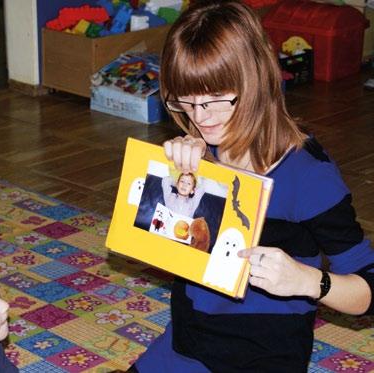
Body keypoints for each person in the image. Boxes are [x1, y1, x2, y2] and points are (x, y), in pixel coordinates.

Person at [132, 0, 374, 371]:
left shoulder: (308, 176)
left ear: (258, 80)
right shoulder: (200, 149)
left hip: (263, 357)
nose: (200, 117)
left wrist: (309, 280)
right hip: (188, 344)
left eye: (215, 99)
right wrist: (175, 175)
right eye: (185, 100)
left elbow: (368, 289)